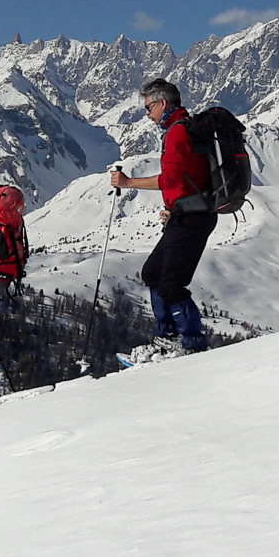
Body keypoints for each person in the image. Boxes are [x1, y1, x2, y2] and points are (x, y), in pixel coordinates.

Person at [109, 78, 215, 358]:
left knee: (170, 284)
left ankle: (191, 343)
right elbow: (189, 178)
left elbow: (171, 178)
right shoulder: (183, 129)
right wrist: (177, 205)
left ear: (162, 103)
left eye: (148, 107)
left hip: (192, 217)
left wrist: (129, 183)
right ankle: (166, 337)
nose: (147, 114)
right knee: (153, 274)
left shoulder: (178, 133)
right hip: (187, 213)